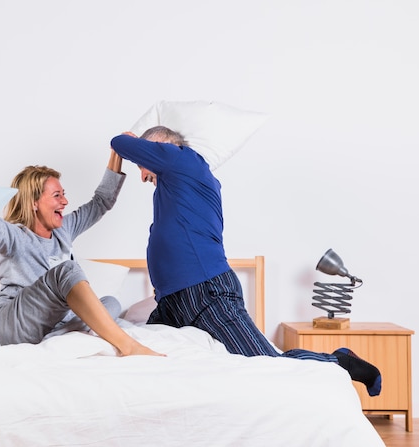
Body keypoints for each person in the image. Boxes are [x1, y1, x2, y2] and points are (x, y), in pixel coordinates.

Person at [110, 126, 381, 395]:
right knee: (147, 361)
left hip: (206, 293)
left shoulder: (184, 160)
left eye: (143, 164)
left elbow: (119, 142)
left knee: (263, 362)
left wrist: (131, 142)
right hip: (171, 303)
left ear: (161, 146)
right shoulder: (174, 188)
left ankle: (341, 361)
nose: (143, 175)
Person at [0, 150, 164, 357]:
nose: (65, 201)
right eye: (57, 196)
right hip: (13, 323)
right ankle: (128, 345)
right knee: (67, 270)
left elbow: (101, 201)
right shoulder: (14, 236)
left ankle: (62, 336)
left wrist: (116, 153)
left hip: (53, 324)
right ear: (33, 203)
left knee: (111, 303)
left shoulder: (64, 229)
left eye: (64, 194)